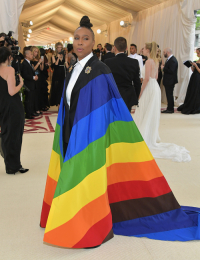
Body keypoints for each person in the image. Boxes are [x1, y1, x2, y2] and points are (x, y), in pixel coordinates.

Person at [40, 16, 200, 249]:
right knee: (71, 173)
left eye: (85, 38)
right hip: (70, 131)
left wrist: (90, 133)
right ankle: (70, 213)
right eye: (76, 38)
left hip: (90, 135)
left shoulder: (100, 69)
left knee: (85, 176)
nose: (80, 42)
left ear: (93, 43)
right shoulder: (73, 67)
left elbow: (105, 106)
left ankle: (89, 224)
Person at [133, 42, 190, 162]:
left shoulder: (149, 61)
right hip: (155, 87)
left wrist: (140, 93)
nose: (142, 50)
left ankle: (144, 135)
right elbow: (157, 77)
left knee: (144, 109)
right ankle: (149, 134)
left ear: (148, 50)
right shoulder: (157, 61)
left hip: (149, 87)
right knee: (149, 111)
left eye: (143, 48)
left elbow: (146, 79)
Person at [0, 46, 28, 174]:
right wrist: (21, 84)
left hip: (2, 105)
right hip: (13, 106)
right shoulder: (9, 70)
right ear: (8, 57)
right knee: (15, 135)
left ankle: (10, 163)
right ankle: (14, 165)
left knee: (6, 132)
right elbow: (12, 92)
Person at [105, 37, 141, 111]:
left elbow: (105, 82)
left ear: (114, 48)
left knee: (114, 120)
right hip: (128, 96)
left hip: (113, 95)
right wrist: (136, 97)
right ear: (127, 48)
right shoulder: (134, 62)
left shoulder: (108, 62)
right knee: (126, 120)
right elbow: (137, 82)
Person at [177, 48, 200, 114]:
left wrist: (196, 66)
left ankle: (195, 106)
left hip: (198, 78)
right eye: (197, 53)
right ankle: (190, 104)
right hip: (193, 77)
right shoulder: (197, 60)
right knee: (191, 91)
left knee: (196, 92)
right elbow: (193, 70)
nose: (197, 54)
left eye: (198, 53)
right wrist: (191, 66)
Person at [21, 47, 38, 119]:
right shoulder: (24, 63)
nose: (32, 55)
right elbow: (25, 74)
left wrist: (35, 76)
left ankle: (31, 112)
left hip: (32, 84)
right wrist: (33, 77)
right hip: (28, 84)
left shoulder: (29, 63)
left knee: (31, 99)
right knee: (28, 99)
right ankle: (28, 114)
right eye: (31, 54)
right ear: (27, 55)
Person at [161, 48, 178, 113]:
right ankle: (169, 108)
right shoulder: (170, 59)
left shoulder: (172, 60)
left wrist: (163, 68)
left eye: (164, 52)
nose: (163, 53)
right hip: (168, 80)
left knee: (169, 95)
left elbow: (171, 71)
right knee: (168, 95)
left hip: (170, 81)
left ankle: (170, 109)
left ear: (168, 52)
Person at [49, 42, 66, 107]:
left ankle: (61, 103)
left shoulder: (64, 55)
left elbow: (65, 63)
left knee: (62, 88)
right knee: (57, 88)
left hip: (63, 72)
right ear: (56, 48)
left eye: (61, 47)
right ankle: (57, 103)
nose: (60, 49)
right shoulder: (53, 56)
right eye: (58, 47)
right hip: (57, 73)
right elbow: (55, 67)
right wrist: (58, 58)